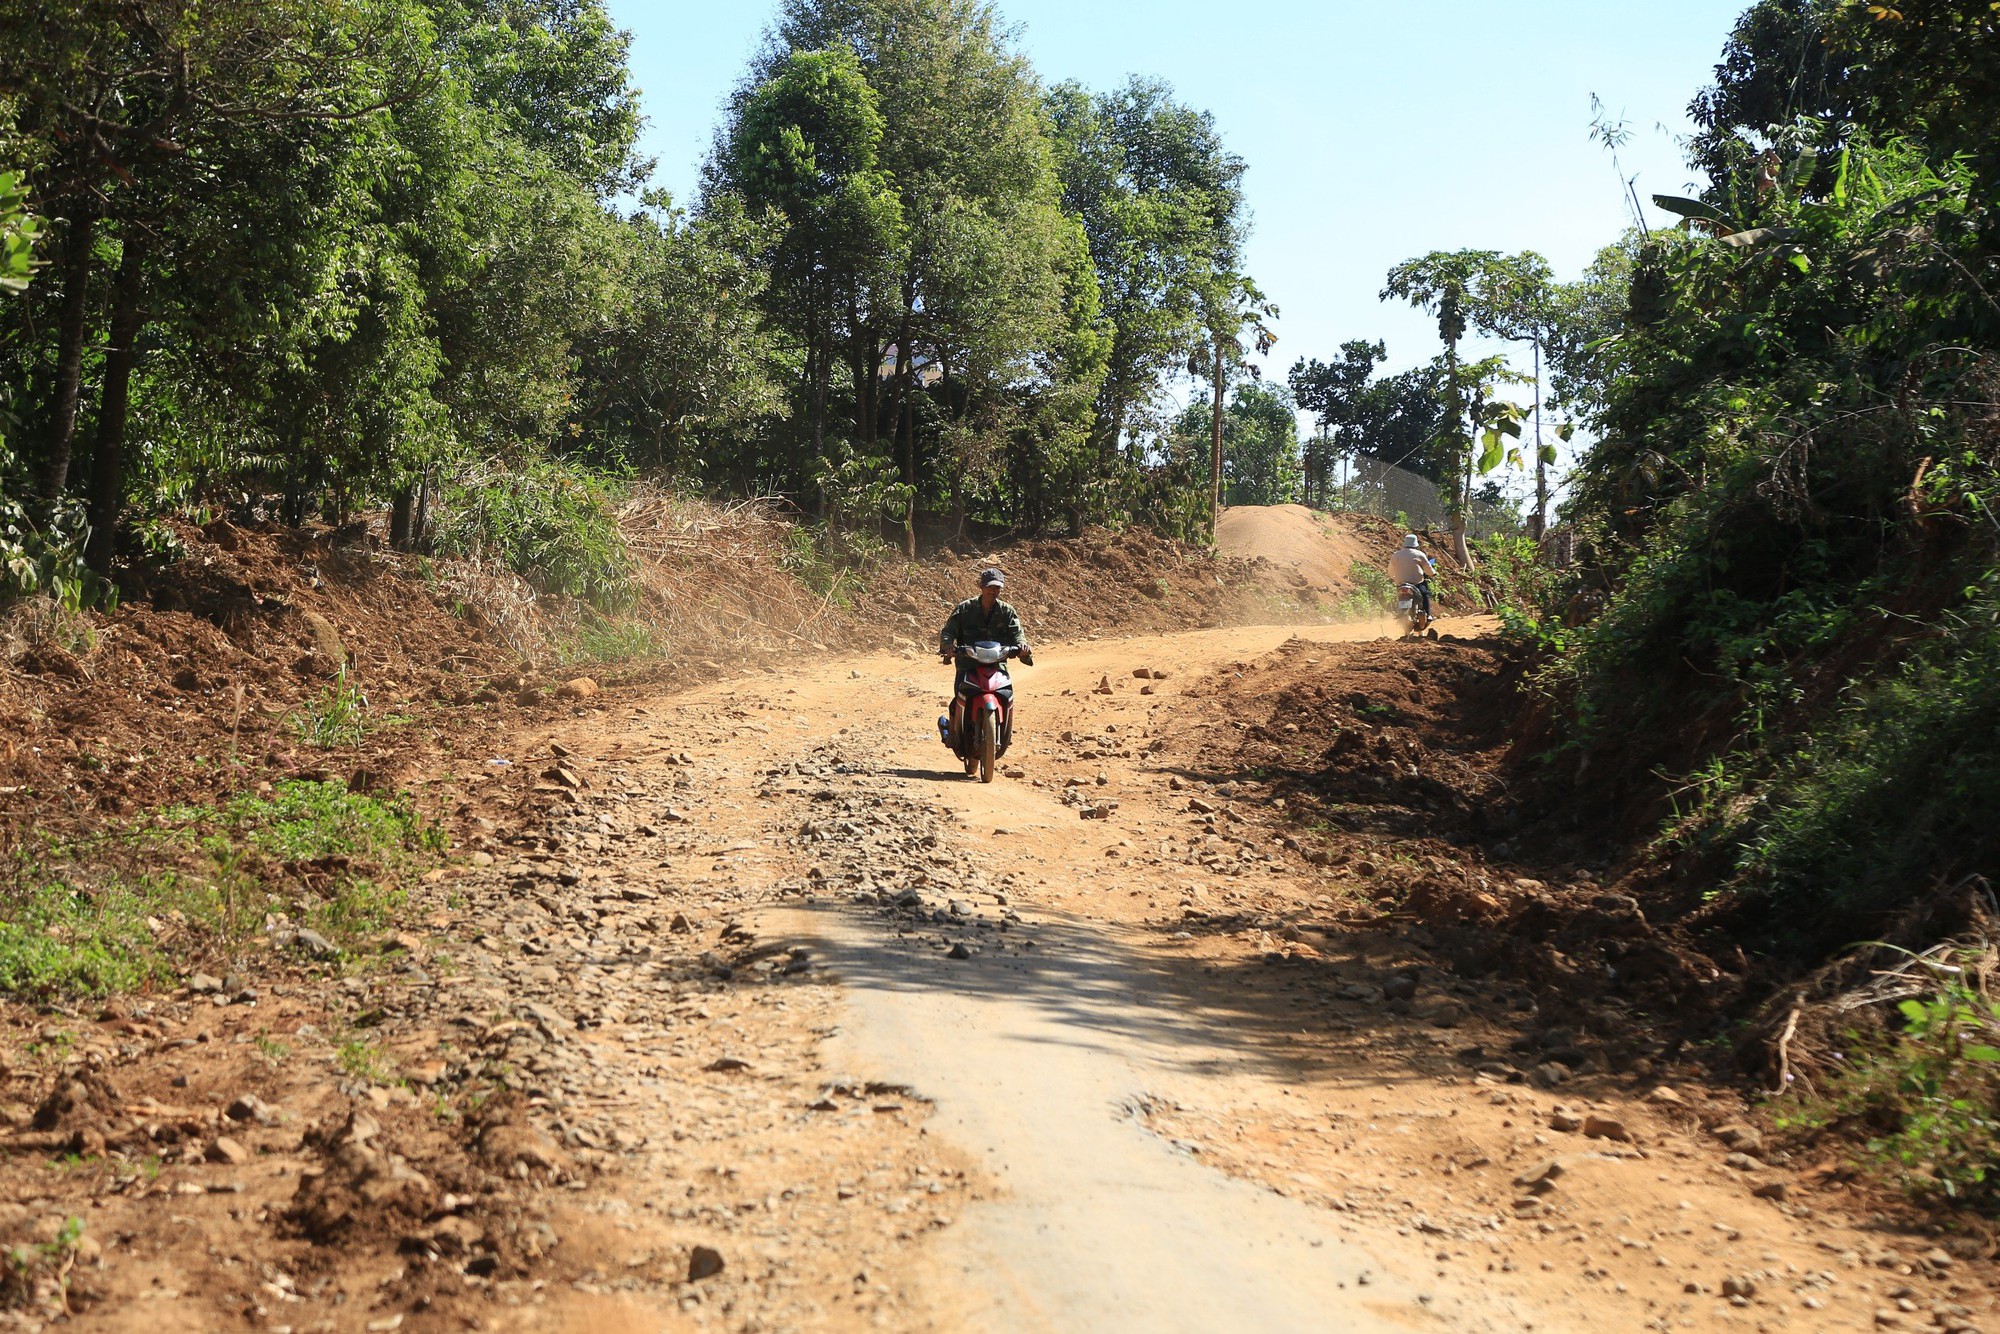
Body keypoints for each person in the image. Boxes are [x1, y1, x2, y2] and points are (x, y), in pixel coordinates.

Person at [938, 567, 1033, 743]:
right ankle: (952, 731)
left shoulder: (1007, 611)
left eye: (997, 587)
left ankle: (1005, 731)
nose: (993, 591)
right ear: (981, 586)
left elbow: (1017, 634)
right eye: (990, 587)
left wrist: (1022, 647)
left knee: (1007, 694)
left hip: (997, 665)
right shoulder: (965, 608)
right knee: (959, 695)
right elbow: (948, 631)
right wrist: (948, 645)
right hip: (968, 665)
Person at [1388, 534, 1437, 619]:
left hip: (1400, 583)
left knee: (1398, 596)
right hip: (1416, 583)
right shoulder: (1420, 554)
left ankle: (1397, 612)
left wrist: (1394, 577)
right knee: (1424, 594)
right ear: (1416, 544)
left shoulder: (1396, 555)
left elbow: (1390, 569)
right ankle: (1428, 615)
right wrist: (1432, 573)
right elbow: (1428, 568)